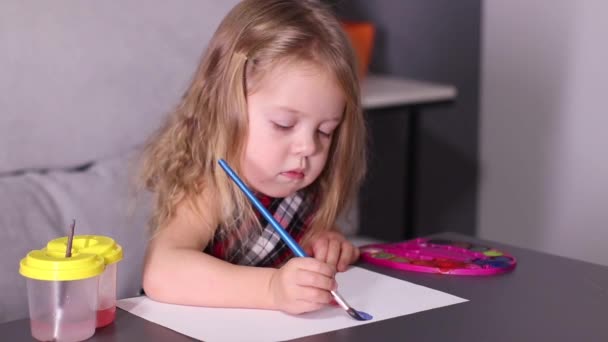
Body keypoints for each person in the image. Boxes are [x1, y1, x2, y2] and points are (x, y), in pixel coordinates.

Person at [140, 0, 366, 315]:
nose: (308, 147)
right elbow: (161, 272)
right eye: (283, 125)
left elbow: (296, 244)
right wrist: (272, 290)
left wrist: (326, 240)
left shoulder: (301, 186)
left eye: (325, 131)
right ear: (225, 109)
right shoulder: (209, 186)